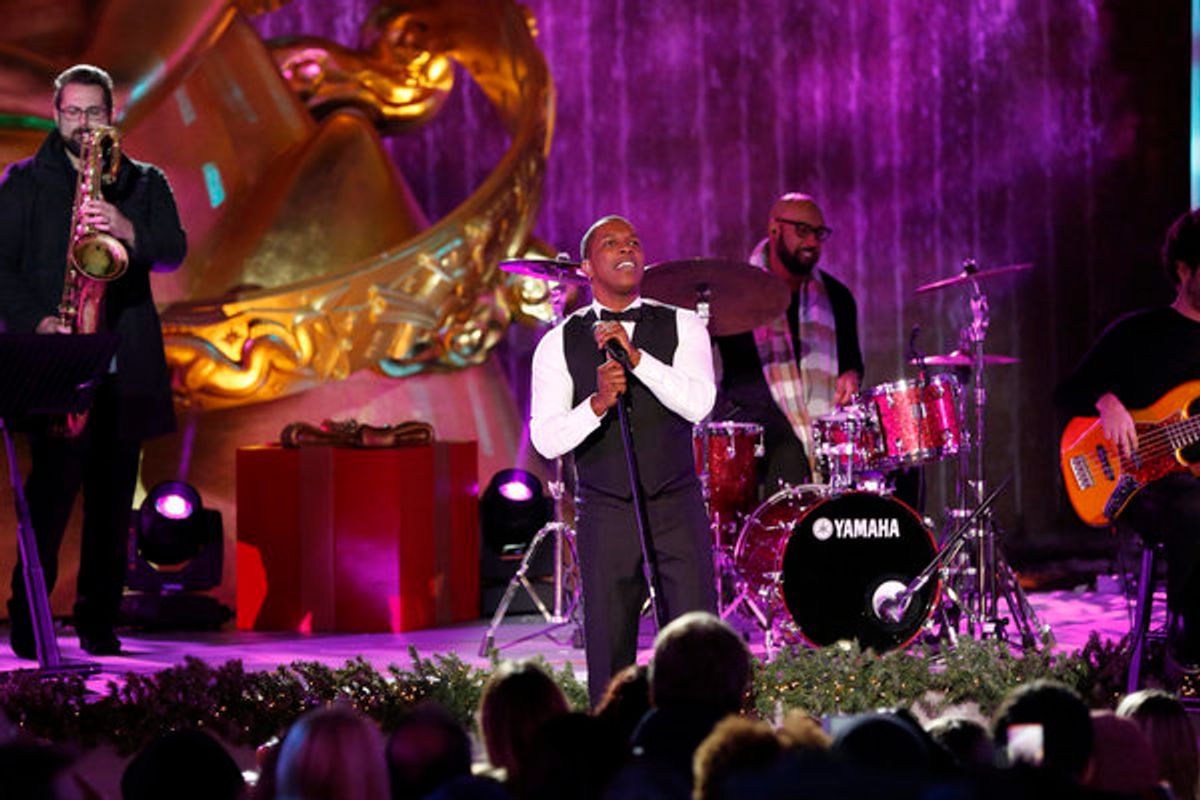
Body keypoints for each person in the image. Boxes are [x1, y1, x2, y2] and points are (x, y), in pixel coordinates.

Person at [0, 64, 186, 657]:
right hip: (58, 360)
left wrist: (128, 227)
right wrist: (38, 321)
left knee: (111, 504)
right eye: (73, 112)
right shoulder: (24, 182)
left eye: (94, 113)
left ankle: (99, 622)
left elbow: (172, 249)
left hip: (121, 363)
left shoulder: (143, 182)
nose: (83, 124)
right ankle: (30, 622)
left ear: (112, 117)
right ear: (56, 114)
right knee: (49, 498)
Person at [529, 215, 717, 705]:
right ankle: (612, 757)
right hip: (606, 509)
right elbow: (547, 439)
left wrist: (638, 360)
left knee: (696, 643)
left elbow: (699, 405)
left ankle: (699, 748)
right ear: (587, 266)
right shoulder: (557, 343)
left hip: (676, 501)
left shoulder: (683, 325)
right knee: (609, 651)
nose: (626, 248)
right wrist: (594, 406)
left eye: (633, 240)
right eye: (610, 243)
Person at [1055, 208, 1200, 675]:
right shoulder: (1139, 331)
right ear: (1183, 269)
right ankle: (1188, 639)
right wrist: (1107, 400)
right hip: (1137, 484)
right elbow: (1066, 392)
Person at [712, 192, 863, 492]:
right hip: (750, 426)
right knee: (788, 452)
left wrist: (851, 375)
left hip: (818, 423)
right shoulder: (738, 292)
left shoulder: (837, 297)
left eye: (819, 234)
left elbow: (851, 364)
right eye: (802, 231)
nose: (812, 243)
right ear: (774, 229)